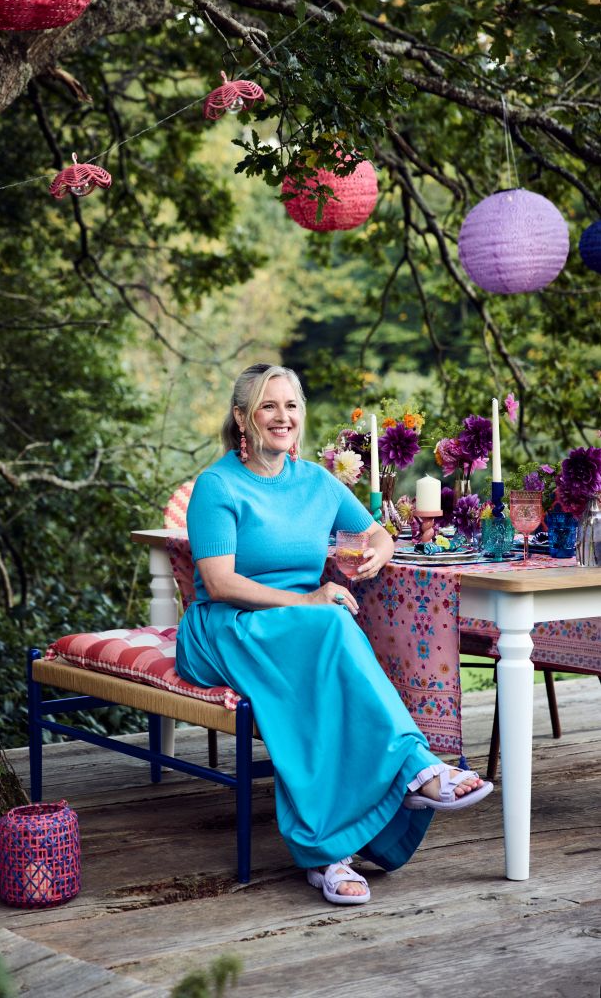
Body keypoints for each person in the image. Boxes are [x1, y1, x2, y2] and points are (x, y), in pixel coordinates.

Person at [175, 363, 492, 905]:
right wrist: (307, 600)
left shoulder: (317, 482)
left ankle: (331, 853)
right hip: (226, 626)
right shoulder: (217, 485)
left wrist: (378, 553)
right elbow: (219, 582)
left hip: (304, 627)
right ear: (242, 418)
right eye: (268, 405)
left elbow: (376, 532)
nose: (282, 417)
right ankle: (412, 770)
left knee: (321, 676)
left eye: (291, 405)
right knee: (331, 622)